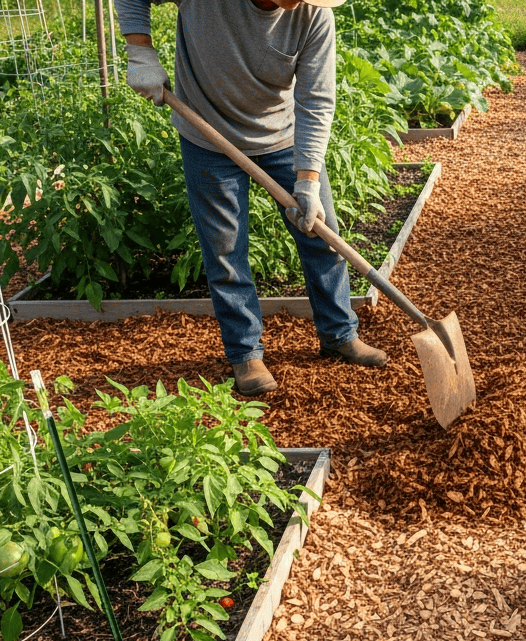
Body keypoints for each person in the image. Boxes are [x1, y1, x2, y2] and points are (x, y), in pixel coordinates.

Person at [117, 0, 388, 397]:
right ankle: (246, 354)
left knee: (320, 231)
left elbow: (316, 101)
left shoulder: (314, 16)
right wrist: (140, 51)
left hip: (282, 136)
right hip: (207, 135)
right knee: (225, 250)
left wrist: (308, 181)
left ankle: (339, 333)